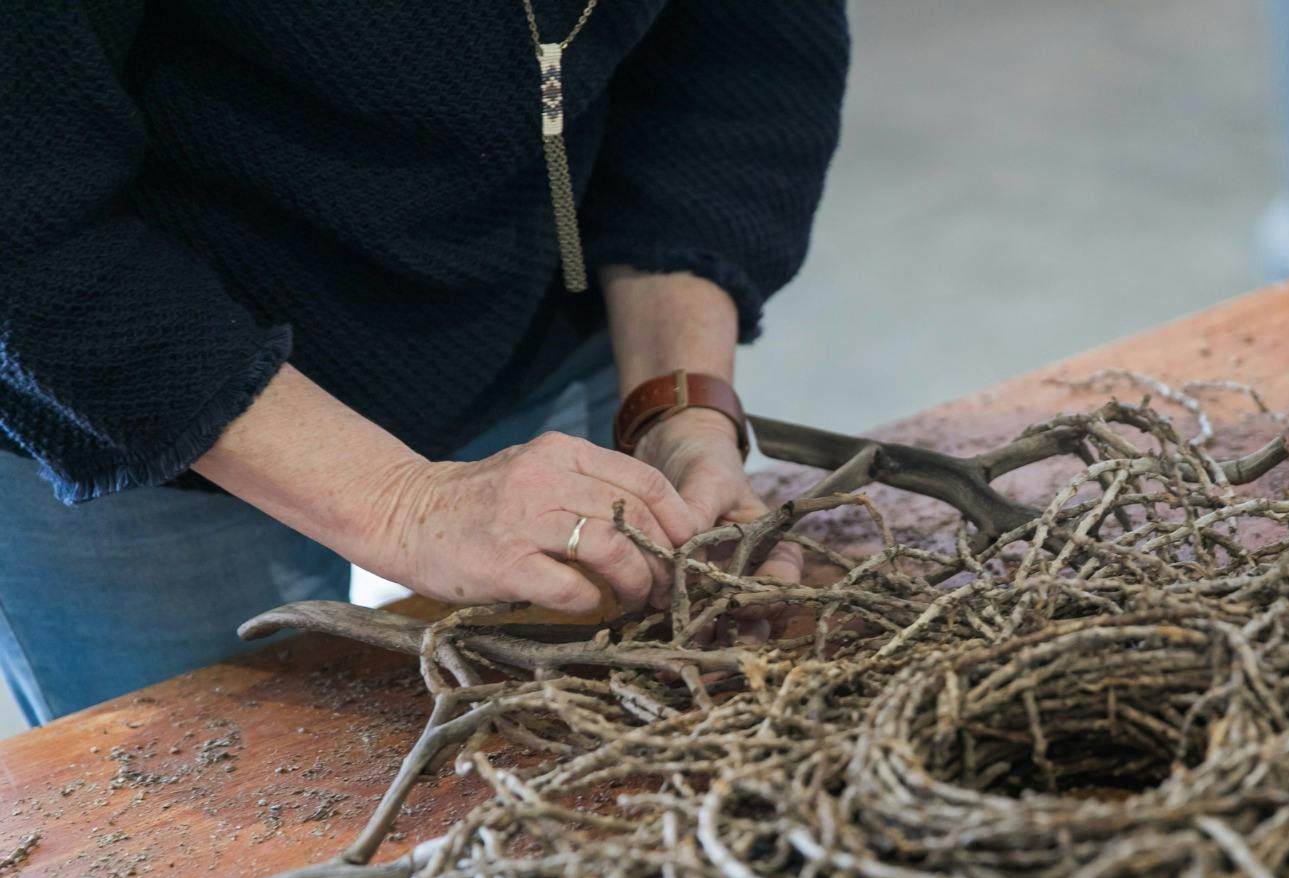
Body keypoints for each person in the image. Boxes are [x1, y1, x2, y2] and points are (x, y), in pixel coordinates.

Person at [0, 2, 849, 726]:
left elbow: (743, 53)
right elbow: (23, 223)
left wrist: (676, 405)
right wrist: (398, 502)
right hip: (134, 399)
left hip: (545, 313)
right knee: (185, 820)